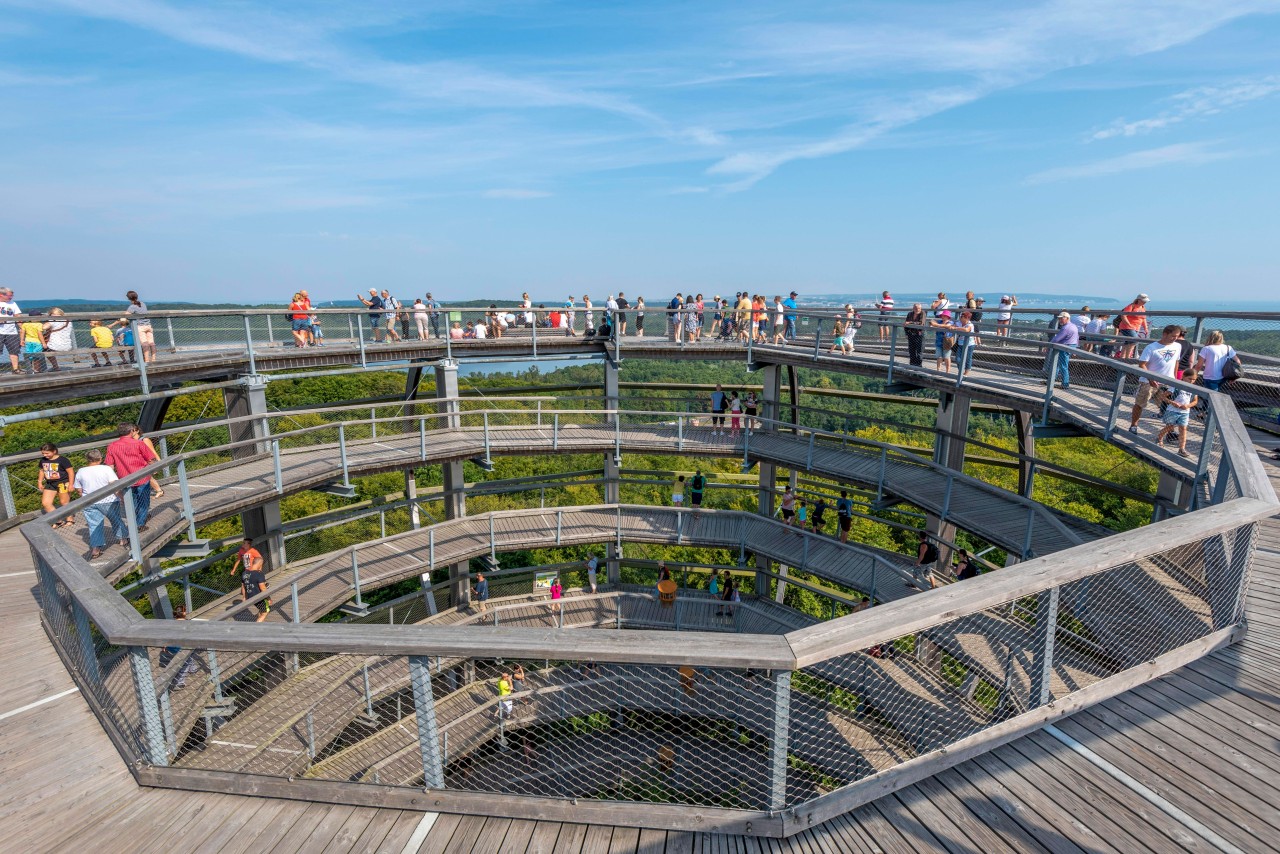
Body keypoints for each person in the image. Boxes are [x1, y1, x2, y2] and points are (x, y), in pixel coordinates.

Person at [1128, 325, 1183, 434]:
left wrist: (1175, 379)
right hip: (1148, 381)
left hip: (1168, 381)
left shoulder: (1177, 346)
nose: (1175, 338)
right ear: (1165, 334)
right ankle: (1134, 425)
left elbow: (1176, 362)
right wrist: (1150, 378)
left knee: (1168, 407)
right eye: (1173, 336)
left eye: (1177, 336)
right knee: (1140, 403)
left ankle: (1170, 430)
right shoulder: (1151, 347)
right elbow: (1142, 364)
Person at [73, 449, 126, 558]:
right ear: (100, 458)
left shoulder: (81, 471)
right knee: (115, 519)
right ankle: (122, 539)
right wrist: (121, 497)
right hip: (108, 500)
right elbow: (113, 485)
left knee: (94, 525)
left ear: (87, 459)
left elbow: (78, 489)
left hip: (89, 501)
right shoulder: (106, 469)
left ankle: (96, 549)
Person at [105, 422, 158, 529]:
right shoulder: (138, 443)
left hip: (125, 479)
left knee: (132, 501)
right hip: (142, 476)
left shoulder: (112, 446)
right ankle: (139, 524)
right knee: (143, 501)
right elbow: (150, 459)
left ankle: (137, 519)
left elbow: (109, 465)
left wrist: (113, 481)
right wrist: (155, 467)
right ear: (131, 431)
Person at [158, 604, 201, 689]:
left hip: (172, 647)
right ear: (184, 613)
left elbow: (166, 635)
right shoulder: (188, 624)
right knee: (185, 663)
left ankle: (192, 668)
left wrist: (164, 646)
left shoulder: (171, 624)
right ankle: (179, 682)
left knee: (189, 657)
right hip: (182, 647)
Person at [1157, 374, 1199, 458]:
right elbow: (1163, 397)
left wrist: (1188, 406)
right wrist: (1173, 403)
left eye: (1194, 379)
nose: (1191, 381)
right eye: (1189, 378)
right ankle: (1159, 437)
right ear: (1183, 377)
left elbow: (1195, 401)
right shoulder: (1176, 386)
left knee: (1183, 429)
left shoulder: (1194, 389)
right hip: (1173, 410)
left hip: (1185, 412)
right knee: (1170, 427)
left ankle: (1181, 449)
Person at [37, 443, 75, 525]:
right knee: (46, 503)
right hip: (50, 483)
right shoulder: (43, 460)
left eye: (47, 453)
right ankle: (58, 519)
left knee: (64, 502)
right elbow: (42, 470)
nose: (45, 455)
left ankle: (69, 518)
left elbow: (70, 472)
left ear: (54, 451)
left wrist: (71, 484)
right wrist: (40, 482)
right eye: (43, 453)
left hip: (63, 483)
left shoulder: (63, 460)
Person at [238, 538, 270, 622]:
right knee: (266, 611)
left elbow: (243, 587)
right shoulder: (259, 574)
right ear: (259, 564)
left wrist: (244, 597)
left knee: (261, 610)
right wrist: (268, 598)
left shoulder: (244, 574)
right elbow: (263, 588)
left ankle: (259, 621)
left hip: (250, 597)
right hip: (259, 597)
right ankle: (256, 627)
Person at [121, 291, 156, 363]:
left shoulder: (132, 306)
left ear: (129, 298)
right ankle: (154, 359)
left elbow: (125, 315)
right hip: (148, 325)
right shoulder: (143, 304)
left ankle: (146, 361)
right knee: (152, 343)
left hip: (140, 327)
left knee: (145, 344)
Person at [1046, 310, 1078, 389]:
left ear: (1066, 318)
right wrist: (1075, 348)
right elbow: (1077, 338)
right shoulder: (1074, 326)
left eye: (1061, 318)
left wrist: (1048, 346)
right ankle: (1051, 381)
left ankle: (1065, 384)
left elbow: (1056, 339)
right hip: (1071, 346)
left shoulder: (1066, 328)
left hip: (1064, 348)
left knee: (1063, 366)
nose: (1059, 320)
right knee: (1057, 365)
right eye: (1059, 318)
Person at [130, 426, 165, 498]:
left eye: (132, 431)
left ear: (137, 431)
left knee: (148, 477)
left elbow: (153, 451)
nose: (131, 432)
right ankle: (158, 490)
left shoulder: (144, 440)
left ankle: (159, 491)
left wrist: (159, 462)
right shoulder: (132, 441)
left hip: (149, 461)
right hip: (140, 462)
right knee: (147, 477)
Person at [1116, 294, 1150, 359]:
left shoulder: (1142, 307)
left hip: (1136, 327)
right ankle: (1127, 357)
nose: (1145, 302)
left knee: (1128, 342)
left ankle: (1122, 356)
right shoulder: (1132, 306)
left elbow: (1143, 318)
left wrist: (1146, 328)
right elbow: (1123, 315)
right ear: (1139, 300)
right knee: (1134, 340)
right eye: (1143, 301)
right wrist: (1129, 324)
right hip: (1127, 327)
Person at [0, 286, 22, 375]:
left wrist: (21, 327)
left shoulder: (13, 303)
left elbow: (17, 316)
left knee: (14, 351)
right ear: (1, 295)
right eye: (9, 296)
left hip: (12, 331)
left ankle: (15, 369)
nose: (11, 297)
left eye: (12, 295)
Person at [953, 310, 977, 376]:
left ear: (967, 318)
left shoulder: (970, 325)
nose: (960, 318)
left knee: (968, 358)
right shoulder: (959, 323)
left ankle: (966, 372)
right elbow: (952, 325)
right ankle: (961, 370)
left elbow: (966, 330)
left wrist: (956, 328)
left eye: (962, 317)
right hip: (960, 344)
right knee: (957, 359)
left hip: (969, 344)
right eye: (961, 316)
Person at [904, 303, 925, 367]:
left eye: (919, 308)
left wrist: (910, 322)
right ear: (913, 308)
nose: (917, 309)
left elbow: (921, 323)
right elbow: (905, 324)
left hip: (919, 335)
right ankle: (912, 364)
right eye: (916, 308)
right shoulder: (910, 314)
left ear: (921, 308)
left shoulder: (922, 313)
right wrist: (906, 333)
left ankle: (918, 365)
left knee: (919, 351)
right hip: (911, 334)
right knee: (911, 350)